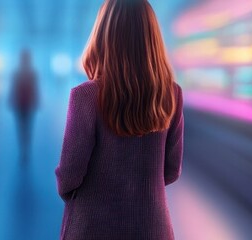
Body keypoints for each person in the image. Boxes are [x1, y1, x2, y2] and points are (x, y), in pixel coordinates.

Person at [56, 0, 183, 239]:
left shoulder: (86, 96)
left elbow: (70, 175)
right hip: (152, 229)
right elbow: (172, 170)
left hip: (94, 229)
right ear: (151, 39)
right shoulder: (172, 94)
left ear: (103, 35)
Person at [10, 49, 39, 163]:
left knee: (23, 128)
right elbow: (14, 89)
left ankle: (24, 149)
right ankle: (25, 149)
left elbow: (34, 89)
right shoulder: (29, 73)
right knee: (25, 128)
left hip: (24, 104)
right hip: (23, 104)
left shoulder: (21, 73)